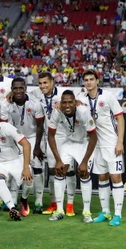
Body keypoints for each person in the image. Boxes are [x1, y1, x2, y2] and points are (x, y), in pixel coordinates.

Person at [78, 69, 125, 226]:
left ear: (97, 80)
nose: (89, 82)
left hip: (111, 142)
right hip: (94, 144)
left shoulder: (108, 96)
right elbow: (69, 102)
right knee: (102, 177)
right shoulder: (81, 97)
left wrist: (120, 141)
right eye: (86, 80)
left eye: (92, 79)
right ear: (83, 82)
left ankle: (117, 214)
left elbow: (120, 118)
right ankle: (105, 211)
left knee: (116, 177)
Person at [28, 72, 76, 215]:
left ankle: (70, 204)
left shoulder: (63, 94)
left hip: (66, 137)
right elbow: (21, 94)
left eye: (45, 83)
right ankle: (54, 202)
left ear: (52, 83)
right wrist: (10, 94)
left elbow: (77, 102)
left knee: (69, 170)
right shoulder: (35, 94)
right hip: (49, 138)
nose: (42, 86)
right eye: (40, 83)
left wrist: (77, 102)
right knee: (53, 171)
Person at [47, 90, 97, 223]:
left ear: (75, 103)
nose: (67, 105)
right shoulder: (57, 111)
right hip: (68, 142)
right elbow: (50, 135)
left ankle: (87, 212)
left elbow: (93, 137)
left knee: (84, 173)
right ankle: (59, 210)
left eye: (70, 102)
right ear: (60, 103)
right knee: (59, 171)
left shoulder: (83, 112)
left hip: (84, 143)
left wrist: (84, 161)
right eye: (64, 102)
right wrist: (57, 160)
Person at [0, 78, 45, 215]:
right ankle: (13, 199)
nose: (18, 91)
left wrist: (37, 146)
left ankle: (38, 200)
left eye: (21, 88)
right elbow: (4, 126)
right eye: (15, 88)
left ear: (25, 88)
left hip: (32, 137)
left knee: (37, 168)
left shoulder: (35, 103)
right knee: (17, 168)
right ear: (11, 89)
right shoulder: (5, 104)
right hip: (15, 138)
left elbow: (40, 126)